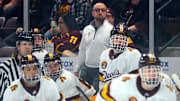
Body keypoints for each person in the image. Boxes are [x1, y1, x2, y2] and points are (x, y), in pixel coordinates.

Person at [96, 53, 177, 101]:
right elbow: (102, 96)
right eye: (148, 70)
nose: (152, 74)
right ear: (140, 72)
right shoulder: (123, 83)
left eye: (156, 70)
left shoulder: (168, 94)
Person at [74, 2, 113, 91]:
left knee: (95, 97)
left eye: (102, 10)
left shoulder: (111, 30)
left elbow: (113, 54)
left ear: (106, 13)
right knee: (83, 95)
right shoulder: (87, 29)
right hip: (85, 69)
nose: (100, 12)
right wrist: (77, 69)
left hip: (101, 70)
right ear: (92, 13)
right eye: (97, 10)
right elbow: (82, 50)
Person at [99, 23, 141, 90]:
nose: (119, 41)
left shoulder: (133, 54)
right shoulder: (104, 54)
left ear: (127, 40)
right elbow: (102, 82)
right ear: (111, 39)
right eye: (116, 38)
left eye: (122, 38)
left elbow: (134, 82)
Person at [0, 31, 33, 100]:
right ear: (18, 46)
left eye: (30, 44)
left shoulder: (37, 67)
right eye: (24, 44)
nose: (27, 47)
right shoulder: (4, 68)